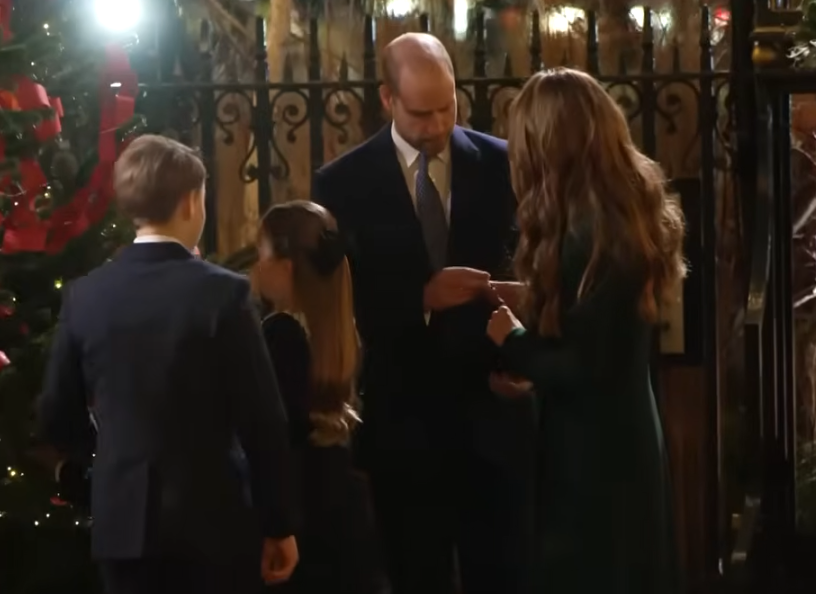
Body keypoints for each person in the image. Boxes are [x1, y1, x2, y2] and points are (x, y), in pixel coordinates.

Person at [312, 33, 534, 594]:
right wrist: (421, 298)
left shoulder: (502, 163)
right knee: (416, 573)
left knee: (503, 570)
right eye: (420, 112)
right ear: (387, 99)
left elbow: (534, 266)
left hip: (492, 412)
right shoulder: (342, 184)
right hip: (403, 420)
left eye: (447, 107)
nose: (436, 124)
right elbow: (335, 303)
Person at [36, 135, 300, 594]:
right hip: (213, 519)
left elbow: (57, 413)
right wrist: (278, 523)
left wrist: (101, 465)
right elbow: (262, 420)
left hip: (123, 522)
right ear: (191, 201)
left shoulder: (86, 295)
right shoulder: (223, 294)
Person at [486, 67, 685, 594]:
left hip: (595, 460)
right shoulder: (616, 218)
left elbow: (582, 367)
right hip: (622, 438)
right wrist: (529, 303)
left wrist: (511, 338)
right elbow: (600, 338)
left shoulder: (593, 235)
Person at [251, 200, 387, 594]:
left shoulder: (280, 333)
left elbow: (274, 430)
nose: (256, 267)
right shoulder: (340, 329)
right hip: (340, 499)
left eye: (261, 254)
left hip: (299, 500)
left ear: (285, 266)